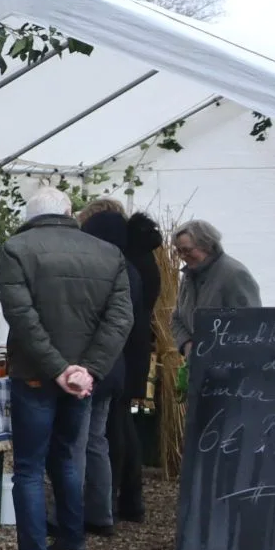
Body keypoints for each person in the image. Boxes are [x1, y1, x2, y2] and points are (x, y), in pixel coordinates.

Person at [0, 184, 132, 550]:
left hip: (36, 375)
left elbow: (22, 318)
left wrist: (57, 369)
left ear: (30, 215)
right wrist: (86, 371)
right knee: (68, 462)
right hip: (79, 382)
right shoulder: (109, 254)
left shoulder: (16, 249)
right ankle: (73, 549)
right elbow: (120, 319)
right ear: (69, 211)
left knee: (30, 469)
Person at [73, 209, 149, 536]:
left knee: (77, 442)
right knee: (97, 442)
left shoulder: (100, 269)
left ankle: (71, 514)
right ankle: (101, 514)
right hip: (114, 368)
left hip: (92, 367)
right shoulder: (128, 268)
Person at [113, 214, 164, 523]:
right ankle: (131, 498)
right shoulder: (148, 260)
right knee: (124, 421)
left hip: (126, 349)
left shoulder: (129, 263)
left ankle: (123, 496)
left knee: (118, 424)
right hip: (139, 347)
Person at [169, 219, 262, 353]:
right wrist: (187, 344)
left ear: (206, 245)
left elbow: (251, 326)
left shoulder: (234, 274)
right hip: (199, 366)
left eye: (187, 250)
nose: (183, 256)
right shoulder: (189, 275)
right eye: (178, 251)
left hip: (229, 366)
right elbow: (176, 318)